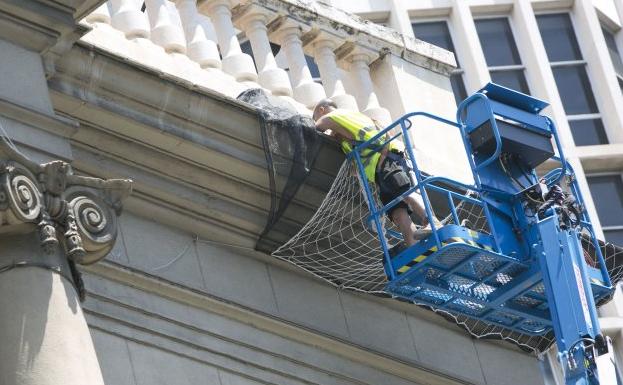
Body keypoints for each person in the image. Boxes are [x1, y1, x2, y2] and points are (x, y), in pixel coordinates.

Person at [313, 98, 441, 249]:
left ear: (322, 110)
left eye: (316, 115)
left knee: (403, 192)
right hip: (379, 168)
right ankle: (413, 246)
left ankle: (432, 222)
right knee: (396, 211)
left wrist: (320, 123)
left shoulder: (334, 116)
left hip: (385, 160)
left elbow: (317, 126)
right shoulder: (351, 120)